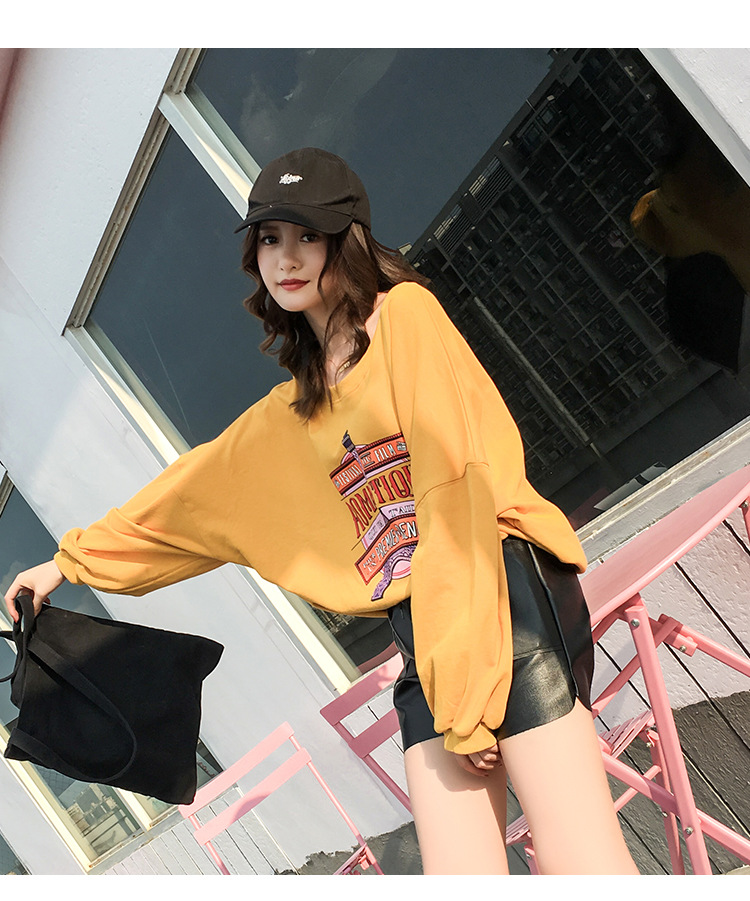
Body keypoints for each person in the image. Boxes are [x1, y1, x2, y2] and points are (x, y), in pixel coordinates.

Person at [4, 147, 639, 876]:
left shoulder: (406, 318)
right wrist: (66, 564)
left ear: (348, 238)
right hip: (424, 638)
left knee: (578, 855)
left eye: (308, 235)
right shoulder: (294, 411)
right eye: (269, 239)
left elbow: (456, 493)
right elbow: (190, 496)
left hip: (500, 596)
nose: (287, 257)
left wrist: (465, 684)